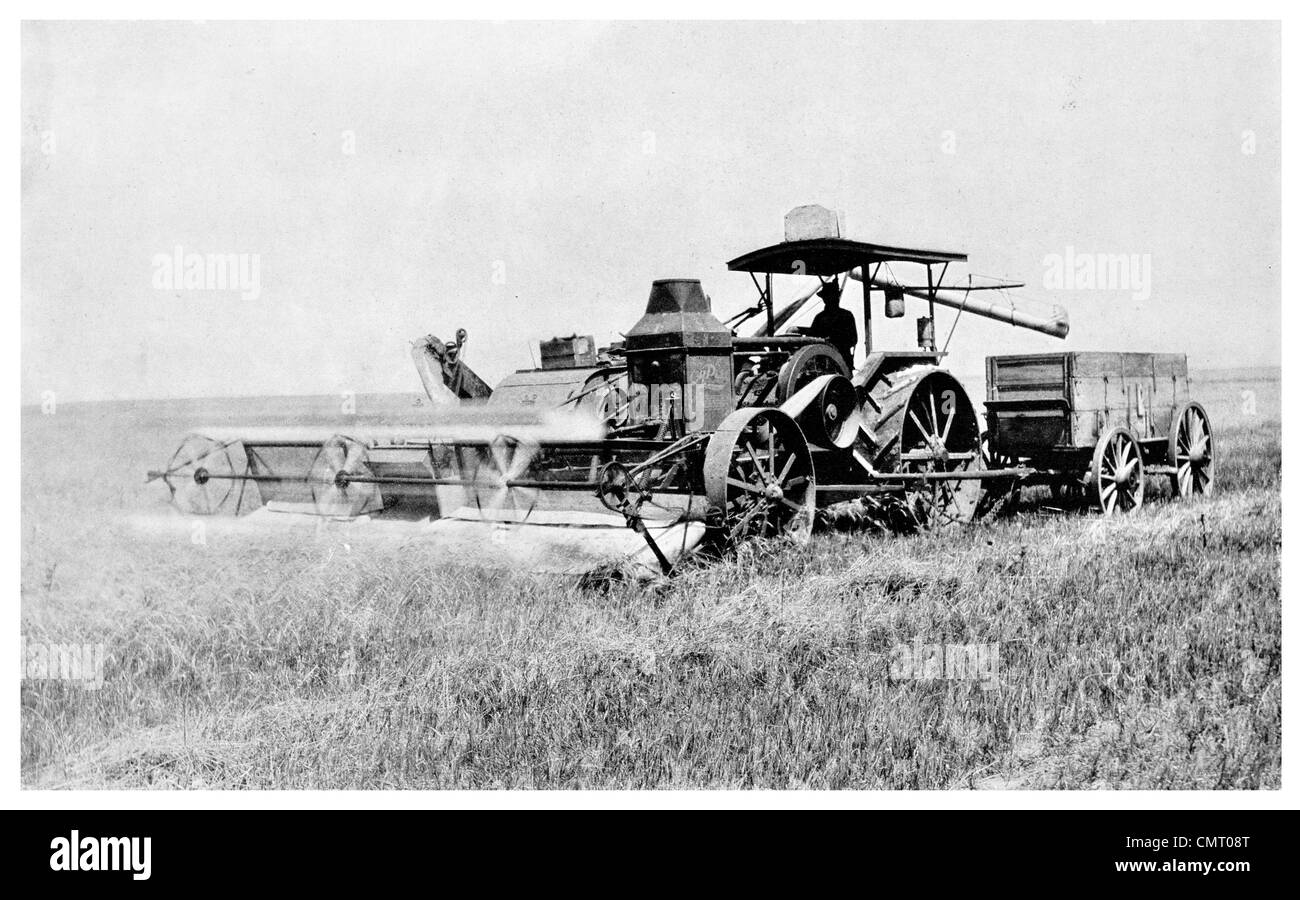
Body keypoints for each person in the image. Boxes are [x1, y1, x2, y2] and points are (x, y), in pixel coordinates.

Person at [805, 279, 858, 370]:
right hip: (823, 363)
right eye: (828, 296)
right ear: (824, 299)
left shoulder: (846, 316)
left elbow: (853, 339)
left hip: (842, 363)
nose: (831, 299)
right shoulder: (819, 318)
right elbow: (811, 338)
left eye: (833, 296)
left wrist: (833, 340)